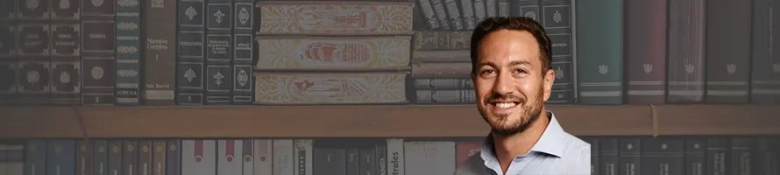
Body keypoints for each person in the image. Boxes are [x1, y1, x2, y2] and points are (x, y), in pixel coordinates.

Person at [454, 17, 590, 175]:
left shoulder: (584, 166)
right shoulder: (465, 172)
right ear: (474, 81)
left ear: (547, 83)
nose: (502, 88)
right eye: (488, 71)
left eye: (519, 70)